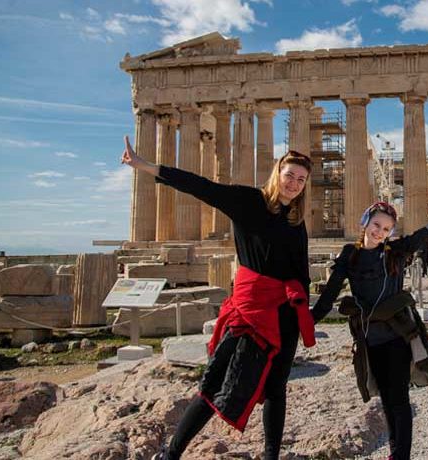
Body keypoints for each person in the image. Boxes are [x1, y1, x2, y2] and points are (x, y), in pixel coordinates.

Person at [121, 136, 315, 460]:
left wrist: (307, 314)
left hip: (284, 316)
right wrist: (146, 166)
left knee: (276, 390)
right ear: (277, 173)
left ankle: (271, 456)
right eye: (290, 175)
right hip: (250, 312)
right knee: (214, 385)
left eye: (301, 179)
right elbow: (202, 187)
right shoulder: (248, 201)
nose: (294, 183)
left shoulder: (296, 222)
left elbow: (302, 273)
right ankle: (171, 454)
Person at [311, 191, 428, 460]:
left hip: (398, 336)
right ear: (365, 222)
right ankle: (396, 455)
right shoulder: (350, 255)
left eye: (386, 229)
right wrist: (306, 322)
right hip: (369, 340)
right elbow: (329, 296)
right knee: (387, 400)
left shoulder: (396, 252)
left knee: (399, 400)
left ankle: (400, 455)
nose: (379, 232)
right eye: (376, 225)